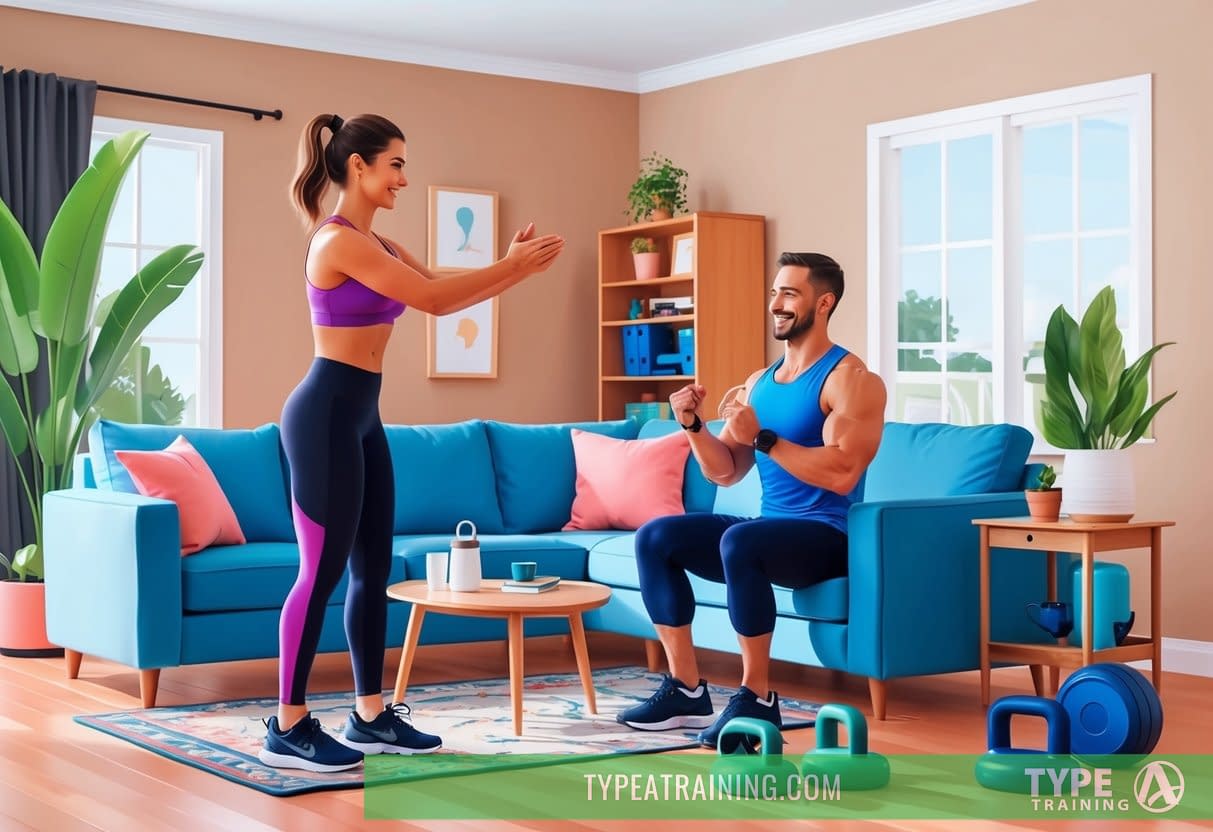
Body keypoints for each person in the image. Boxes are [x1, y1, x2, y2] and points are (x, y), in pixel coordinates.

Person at [259, 113, 564, 772]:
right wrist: (512, 268)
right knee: (320, 573)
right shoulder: (336, 243)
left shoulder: (383, 247)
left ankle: (370, 714)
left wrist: (512, 269)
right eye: (394, 163)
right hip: (324, 415)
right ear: (358, 167)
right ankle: (287, 722)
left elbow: (443, 293)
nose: (403, 176)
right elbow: (431, 301)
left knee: (374, 567)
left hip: (363, 416)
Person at [616, 252, 886, 749]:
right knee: (657, 536)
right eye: (774, 292)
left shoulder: (851, 380)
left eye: (790, 294)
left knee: (743, 541)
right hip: (770, 531)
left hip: (827, 536)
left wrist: (764, 437)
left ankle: (757, 698)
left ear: (823, 303)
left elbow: (844, 474)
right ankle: (686, 689)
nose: (776, 305)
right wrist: (693, 424)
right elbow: (726, 469)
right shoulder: (761, 381)